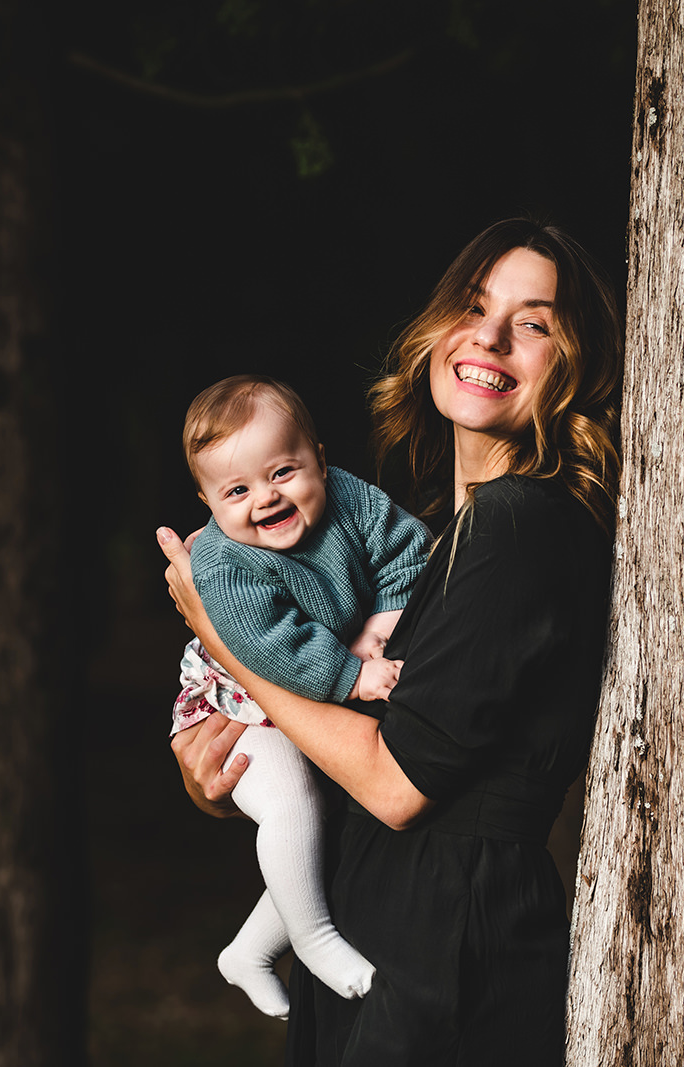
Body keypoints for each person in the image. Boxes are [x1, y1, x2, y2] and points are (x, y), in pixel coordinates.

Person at [160, 218, 621, 1065]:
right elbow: (334, 744)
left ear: (574, 363)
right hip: (383, 918)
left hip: (445, 943)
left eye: (534, 322)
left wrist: (225, 649)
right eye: (476, 306)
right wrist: (220, 777)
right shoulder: (438, 530)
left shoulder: (522, 525)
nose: (488, 336)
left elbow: (398, 782)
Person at [174, 374, 434, 1018]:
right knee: (294, 804)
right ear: (208, 502)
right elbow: (269, 645)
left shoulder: (351, 498)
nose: (263, 498)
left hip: (306, 689)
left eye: (282, 471)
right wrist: (349, 676)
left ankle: (249, 952)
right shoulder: (220, 562)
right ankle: (312, 939)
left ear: (318, 454)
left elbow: (405, 549)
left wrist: (386, 618)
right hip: (237, 700)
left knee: (325, 825)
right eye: (235, 491)